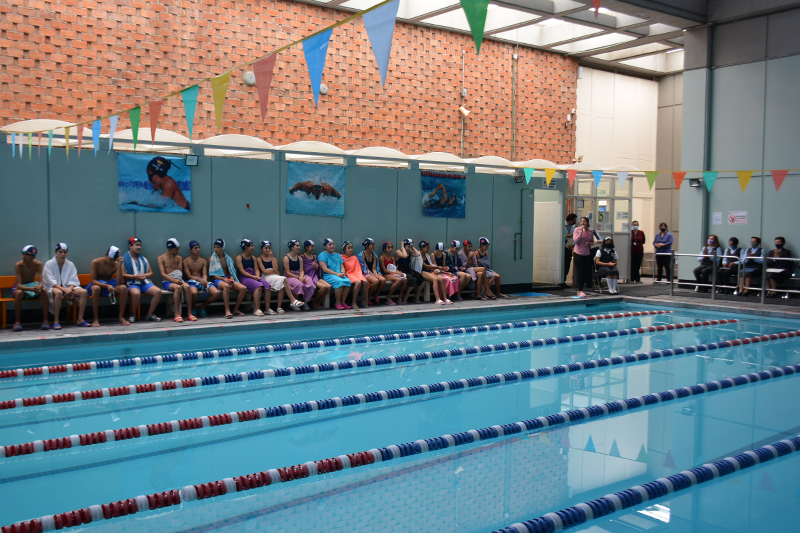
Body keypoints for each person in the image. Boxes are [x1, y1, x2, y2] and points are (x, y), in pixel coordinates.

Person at [43, 243, 89, 329]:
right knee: (58, 293)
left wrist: (69, 289)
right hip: (53, 288)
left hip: (68, 287)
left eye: (65, 252)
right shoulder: (49, 264)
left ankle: (80, 319)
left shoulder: (70, 264)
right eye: (60, 252)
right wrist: (65, 290)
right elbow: (51, 282)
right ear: (56, 253)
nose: (63, 254)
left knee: (84, 292)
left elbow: (73, 279)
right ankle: (56, 321)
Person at [86, 246, 129, 326]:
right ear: (106, 254)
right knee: (96, 289)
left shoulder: (116, 264)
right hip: (98, 283)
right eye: (111, 259)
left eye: (114, 260)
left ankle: (121, 317)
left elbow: (119, 282)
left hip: (110, 282)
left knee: (123, 288)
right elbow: (93, 280)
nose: (112, 262)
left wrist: (120, 266)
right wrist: (106, 286)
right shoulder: (96, 262)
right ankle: (95, 318)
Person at [122, 237, 161, 322]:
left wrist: (144, 275)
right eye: (136, 245)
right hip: (132, 283)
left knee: (158, 292)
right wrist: (135, 277)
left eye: (140, 245)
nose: (139, 247)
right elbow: (123, 274)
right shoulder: (124, 259)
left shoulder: (143, 259)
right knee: (136, 293)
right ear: (130, 246)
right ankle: (133, 315)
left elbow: (151, 273)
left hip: (144, 282)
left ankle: (149, 315)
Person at [260, 241, 303, 314]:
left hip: (275, 276)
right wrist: (275, 272)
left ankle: (279, 307)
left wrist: (271, 257)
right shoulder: (259, 259)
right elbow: (265, 272)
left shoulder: (274, 258)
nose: (268, 250)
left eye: (269, 248)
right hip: (266, 277)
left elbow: (275, 269)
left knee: (282, 283)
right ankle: (292, 300)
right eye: (266, 248)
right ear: (262, 249)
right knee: (283, 279)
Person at [12, 245, 49, 331]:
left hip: (31, 287)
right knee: (20, 292)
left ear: (33, 256)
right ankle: (17, 322)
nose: (24, 257)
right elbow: (18, 285)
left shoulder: (38, 264)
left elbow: (41, 282)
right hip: (18, 288)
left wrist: (38, 288)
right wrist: (32, 289)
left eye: (27, 255)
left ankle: (45, 320)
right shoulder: (19, 265)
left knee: (44, 291)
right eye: (23, 254)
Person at [209, 238, 247, 318]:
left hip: (227, 279)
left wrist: (231, 278)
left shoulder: (228, 259)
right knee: (226, 286)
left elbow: (231, 271)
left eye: (218, 247)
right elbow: (212, 275)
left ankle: (236, 309)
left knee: (243, 288)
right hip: (218, 280)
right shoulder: (212, 259)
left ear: (222, 248)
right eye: (214, 247)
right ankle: (227, 310)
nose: (216, 249)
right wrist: (223, 279)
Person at [183, 241, 220, 318]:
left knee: (216, 293)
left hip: (202, 280)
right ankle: (193, 308)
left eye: (199, 248)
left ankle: (202, 307)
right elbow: (189, 276)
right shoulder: (185, 261)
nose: (198, 250)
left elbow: (204, 274)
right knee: (194, 293)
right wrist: (200, 280)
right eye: (195, 248)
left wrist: (204, 280)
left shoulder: (203, 261)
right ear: (190, 250)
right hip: (192, 281)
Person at [157, 238, 191, 322]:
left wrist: (174, 260)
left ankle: (189, 313)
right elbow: (163, 274)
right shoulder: (161, 258)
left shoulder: (179, 258)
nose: (178, 251)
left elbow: (179, 272)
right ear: (170, 249)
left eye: (178, 249)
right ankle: (177, 314)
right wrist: (174, 281)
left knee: (187, 287)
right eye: (176, 249)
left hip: (178, 279)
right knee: (177, 288)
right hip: (167, 281)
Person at [235, 239, 271, 316]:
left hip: (254, 276)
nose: (253, 248)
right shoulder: (239, 258)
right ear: (246, 247)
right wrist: (253, 277)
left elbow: (256, 269)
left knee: (267, 285)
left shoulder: (253, 258)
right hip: (244, 277)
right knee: (258, 286)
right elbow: (242, 271)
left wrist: (257, 276)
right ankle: (256, 309)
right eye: (251, 246)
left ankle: (267, 309)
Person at [317, 238, 352, 310]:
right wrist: (337, 274)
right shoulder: (322, 255)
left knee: (348, 281)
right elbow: (325, 269)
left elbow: (342, 266)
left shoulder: (337, 255)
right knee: (340, 282)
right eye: (329, 244)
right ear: (325, 246)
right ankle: (337, 302)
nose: (332, 246)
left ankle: (343, 302)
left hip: (339, 275)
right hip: (328, 275)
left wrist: (343, 272)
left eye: (333, 244)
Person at [281, 240, 312, 311]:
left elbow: (301, 270)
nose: (299, 247)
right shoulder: (286, 258)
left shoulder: (300, 258)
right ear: (292, 247)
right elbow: (288, 273)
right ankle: (294, 302)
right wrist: (299, 278)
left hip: (299, 275)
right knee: (299, 284)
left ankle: (305, 301)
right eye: (297, 246)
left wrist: (302, 277)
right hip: (289, 277)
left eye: (299, 246)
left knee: (310, 283)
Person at [301, 240, 331, 310]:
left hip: (315, 276)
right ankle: (314, 303)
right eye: (311, 246)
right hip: (308, 276)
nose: (313, 248)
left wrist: (316, 267)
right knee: (323, 287)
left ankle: (318, 302)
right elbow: (302, 268)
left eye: (314, 246)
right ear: (306, 247)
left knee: (329, 287)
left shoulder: (315, 256)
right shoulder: (302, 257)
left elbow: (318, 269)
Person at [419, 241, 451, 305]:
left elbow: (431, 265)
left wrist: (436, 270)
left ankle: (445, 298)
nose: (428, 249)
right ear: (422, 248)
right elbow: (426, 266)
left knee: (441, 278)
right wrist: (438, 267)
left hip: (429, 272)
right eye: (427, 248)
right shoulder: (419, 256)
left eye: (429, 248)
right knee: (435, 279)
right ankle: (437, 299)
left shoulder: (427, 255)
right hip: (421, 272)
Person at [395, 238, 425, 304]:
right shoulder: (398, 251)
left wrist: (412, 247)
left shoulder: (410, 252)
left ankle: (416, 297)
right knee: (413, 280)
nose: (410, 248)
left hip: (408, 270)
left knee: (422, 279)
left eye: (410, 247)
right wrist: (403, 246)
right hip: (400, 271)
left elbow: (418, 254)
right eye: (408, 246)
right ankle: (405, 297)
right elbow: (405, 256)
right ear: (404, 246)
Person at [341, 241, 369, 308]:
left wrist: (359, 275)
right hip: (349, 274)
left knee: (365, 282)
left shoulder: (354, 257)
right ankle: (354, 302)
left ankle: (365, 301)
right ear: (344, 249)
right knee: (358, 282)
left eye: (351, 248)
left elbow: (358, 268)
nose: (350, 249)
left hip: (357, 273)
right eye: (348, 248)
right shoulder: (341, 257)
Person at [359, 238, 386, 305]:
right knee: (376, 281)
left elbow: (374, 269)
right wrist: (374, 276)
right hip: (365, 273)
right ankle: (368, 297)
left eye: (374, 245)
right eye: (372, 245)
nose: (374, 246)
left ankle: (376, 294)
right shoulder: (362, 255)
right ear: (367, 246)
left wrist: (376, 275)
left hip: (373, 272)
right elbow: (365, 268)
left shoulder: (374, 255)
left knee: (383, 280)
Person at [572, 217, 594, 298]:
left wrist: (589, 243)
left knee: (585, 271)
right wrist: (581, 232)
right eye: (581, 221)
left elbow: (592, 242)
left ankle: (583, 287)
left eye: (584, 221)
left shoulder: (590, 231)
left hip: (587, 253)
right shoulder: (577, 230)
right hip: (578, 253)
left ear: (587, 223)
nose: (582, 223)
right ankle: (579, 290)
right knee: (580, 272)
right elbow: (576, 241)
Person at [564, 213, 577, 287]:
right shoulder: (563, 225)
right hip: (563, 247)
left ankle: (564, 280)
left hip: (569, 247)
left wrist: (573, 244)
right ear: (570, 220)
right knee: (563, 264)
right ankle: (562, 280)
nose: (574, 222)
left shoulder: (573, 227)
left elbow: (574, 237)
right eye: (574, 220)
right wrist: (566, 235)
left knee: (567, 264)